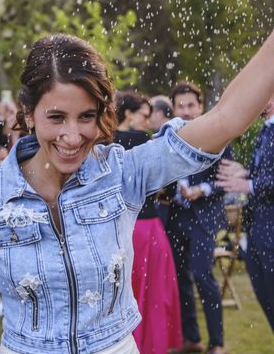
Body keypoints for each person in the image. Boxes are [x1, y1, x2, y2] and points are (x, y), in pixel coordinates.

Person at [0, 32, 274, 354]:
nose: (72, 137)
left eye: (86, 117)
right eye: (57, 117)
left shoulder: (120, 173)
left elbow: (225, 119)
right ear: (28, 113)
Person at [165, 82, 232, 354]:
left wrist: (202, 189)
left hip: (204, 218)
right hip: (176, 216)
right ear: (174, 108)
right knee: (179, 279)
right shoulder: (167, 137)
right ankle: (191, 338)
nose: (186, 111)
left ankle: (217, 343)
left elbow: (226, 181)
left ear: (200, 106)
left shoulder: (218, 135)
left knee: (204, 277)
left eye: (191, 105)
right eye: (180, 106)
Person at [114, 91, 182, 354]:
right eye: (143, 115)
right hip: (146, 227)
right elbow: (169, 185)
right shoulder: (144, 141)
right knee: (152, 292)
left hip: (118, 228)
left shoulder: (103, 144)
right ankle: (151, 343)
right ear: (128, 114)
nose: (147, 120)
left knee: (125, 290)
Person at [216, 94, 274, 331]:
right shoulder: (266, 130)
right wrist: (245, 174)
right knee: (265, 295)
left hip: (270, 231)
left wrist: (249, 185)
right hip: (259, 230)